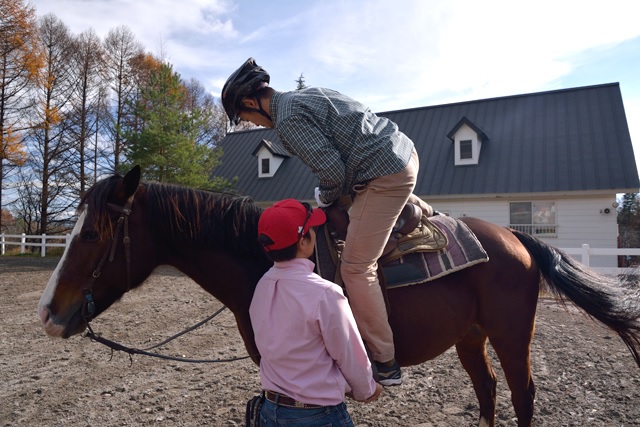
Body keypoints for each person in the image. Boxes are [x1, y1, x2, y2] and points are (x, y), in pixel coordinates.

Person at [223, 57, 434, 385]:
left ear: (251, 102)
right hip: (402, 153)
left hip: (383, 174)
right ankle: (412, 206)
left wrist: (324, 193)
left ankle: (386, 360)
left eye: (247, 117)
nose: (252, 123)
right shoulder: (306, 95)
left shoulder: (288, 119)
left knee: (355, 268)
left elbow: (332, 172)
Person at [250, 199, 383, 426]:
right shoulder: (325, 293)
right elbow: (348, 353)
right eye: (312, 229)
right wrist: (366, 389)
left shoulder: (262, 285)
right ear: (303, 241)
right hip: (316, 416)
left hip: (269, 409)